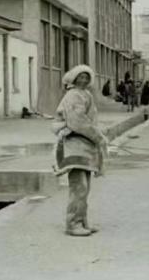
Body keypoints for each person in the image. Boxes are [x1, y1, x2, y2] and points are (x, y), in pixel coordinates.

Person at [52, 65, 108, 237]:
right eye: (80, 77)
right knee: (79, 186)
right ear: (73, 79)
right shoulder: (73, 95)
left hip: (85, 145)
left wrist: (96, 136)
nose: (83, 80)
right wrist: (98, 137)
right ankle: (72, 224)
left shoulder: (86, 94)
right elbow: (77, 122)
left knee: (85, 186)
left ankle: (82, 221)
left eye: (86, 77)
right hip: (73, 144)